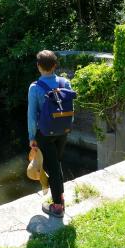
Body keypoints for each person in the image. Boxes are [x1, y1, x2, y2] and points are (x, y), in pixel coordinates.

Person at [27, 50, 71, 218]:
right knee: (55, 164)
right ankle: (59, 197)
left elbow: (31, 116)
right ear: (55, 65)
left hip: (44, 133)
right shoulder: (65, 82)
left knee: (51, 167)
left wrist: (32, 137)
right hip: (63, 130)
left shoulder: (35, 88)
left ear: (38, 66)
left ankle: (58, 207)